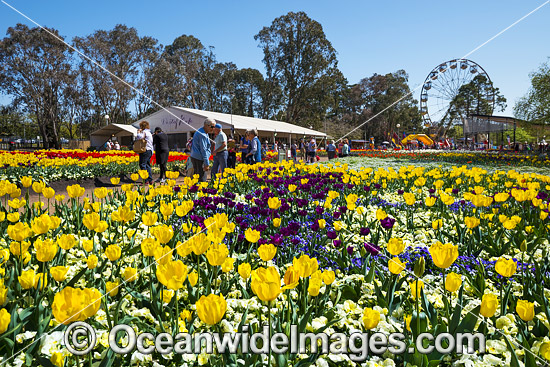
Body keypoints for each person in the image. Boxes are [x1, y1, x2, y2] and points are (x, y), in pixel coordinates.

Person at [190, 118, 215, 182]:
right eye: (212, 127)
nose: (213, 128)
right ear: (206, 125)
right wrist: (206, 163)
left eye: (214, 127)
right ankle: (201, 190)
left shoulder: (201, 131)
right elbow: (203, 150)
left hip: (195, 156)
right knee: (202, 178)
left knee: (197, 177)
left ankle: (196, 190)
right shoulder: (202, 134)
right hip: (199, 158)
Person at [136, 121, 154, 185]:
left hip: (145, 150)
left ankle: (145, 180)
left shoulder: (144, 132)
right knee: (147, 165)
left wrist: (138, 132)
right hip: (150, 150)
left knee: (142, 164)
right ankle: (150, 179)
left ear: (142, 126)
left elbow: (139, 137)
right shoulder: (149, 132)